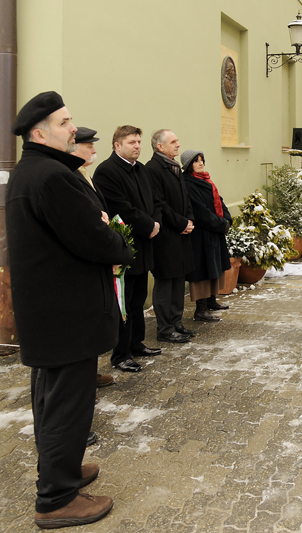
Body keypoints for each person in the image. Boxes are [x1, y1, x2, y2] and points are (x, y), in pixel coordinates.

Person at [7, 91, 132, 528]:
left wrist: (99, 225)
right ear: (39, 133)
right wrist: (116, 241)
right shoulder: (52, 177)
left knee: (51, 398)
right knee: (66, 403)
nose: (73, 129)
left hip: (51, 313)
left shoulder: (35, 171)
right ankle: (56, 499)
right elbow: (95, 238)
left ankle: (61, 468)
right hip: (66, 313)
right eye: (64, 123)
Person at [94, 126, 163, 372]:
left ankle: (136, 344)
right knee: (123, 303)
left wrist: (156, 223)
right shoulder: (106, 171)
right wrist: (149, 225)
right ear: (117, 145)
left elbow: (155, 201)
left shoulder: (141, 169)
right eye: (131, 142)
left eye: (138, 142)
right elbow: (121, 208)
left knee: (138, 299)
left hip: (145, 244)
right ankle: (120, 354)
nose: (137, 146)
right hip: (125, 245)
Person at [72, 127, 116, 391]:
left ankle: (92, 371)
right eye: (89, 146)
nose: (94, 150)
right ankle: (84, 379)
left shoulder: (84, 174)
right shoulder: (70, 175)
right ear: (76, 147)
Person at [145, 130, 195, 344]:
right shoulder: (153, 169)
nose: (178, 145)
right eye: (173, 142)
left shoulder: (174, 167)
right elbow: (160, 204)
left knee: (178, 281)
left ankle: (176, 323)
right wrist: (181, 223)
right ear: (160, 146)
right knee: (165, 283)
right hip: (166, 235)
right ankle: (165, 328)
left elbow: (186, 198)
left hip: (181, 234)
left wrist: (190, 219)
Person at [180, 150, 233, 321]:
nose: (201, 163)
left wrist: (227, 219)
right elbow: (200, 212)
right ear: (189, 165)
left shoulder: (206, 180)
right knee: (202, 270)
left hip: (214, 233)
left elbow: (219, 200)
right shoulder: (189, 183)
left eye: (202, 160)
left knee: (214, 267)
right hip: (201, 235)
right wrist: (220, 224)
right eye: (196, 161)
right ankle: (201, 309)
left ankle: (211, 301)